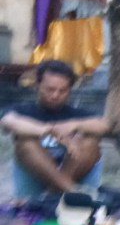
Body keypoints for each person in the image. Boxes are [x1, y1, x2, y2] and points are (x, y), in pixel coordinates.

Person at [1, 60, 108, 198]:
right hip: (34, 178)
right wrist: (49, 130)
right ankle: (69, 190)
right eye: (50, 89)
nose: (55, 95)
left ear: (70, 90)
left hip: (74, 173)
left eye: (62, 91)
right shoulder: (23, 110)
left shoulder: (77, 114)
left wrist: (74, 125)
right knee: (26, 142)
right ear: (37, 85)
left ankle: (51, 194)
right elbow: (7, 121)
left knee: (90, 142)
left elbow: (104, 125)